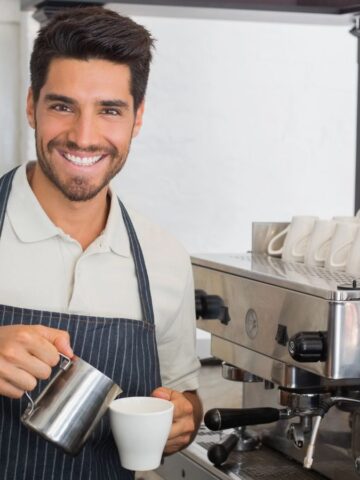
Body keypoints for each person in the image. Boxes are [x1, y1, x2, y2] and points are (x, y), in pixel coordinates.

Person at [0, 6, 202, 479]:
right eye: (62, 105)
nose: (84, 137)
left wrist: (182, 421)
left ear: (137, 118)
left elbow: (182, 392)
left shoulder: (164, 257)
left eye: (109, 110)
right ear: (31, 105)